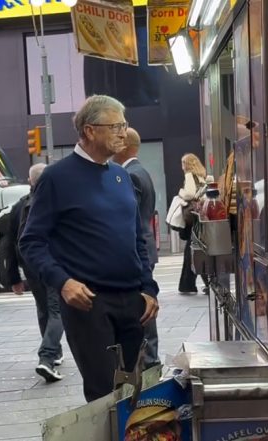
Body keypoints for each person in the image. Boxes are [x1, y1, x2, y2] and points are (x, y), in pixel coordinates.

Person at [20, 95, 160, 402]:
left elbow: (137, 237)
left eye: (124, 125)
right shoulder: (56, 178)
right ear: (89, 130)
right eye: (115, 125)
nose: (123, 132)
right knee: (103, 395)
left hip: (133, 301)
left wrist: (149, 288)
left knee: (136, 389)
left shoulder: (122, 176)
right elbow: (31, 242)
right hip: (88, 303)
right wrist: (63, 283)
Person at [7, 163, 65, 382]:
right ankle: (48, 356)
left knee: (43, 309)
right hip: (52, 263)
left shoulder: (19, 206)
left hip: (30, 266)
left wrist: (13, 276)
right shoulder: (56, 202)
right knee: (56, 310)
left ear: (31, 181)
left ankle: (54, 352)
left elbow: (10, 243)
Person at [112, 128, 161, 369]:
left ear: (124, 145)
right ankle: (149, 360)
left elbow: (129, 219)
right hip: (144, 246)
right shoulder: (141, 171)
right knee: (145, 306)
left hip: (137, 250)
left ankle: (150, 361)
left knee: (143, 308)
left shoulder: (130, 175)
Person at [176, 153, 207, 295]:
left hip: (191, 217)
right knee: (196, 248)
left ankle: (188, 284)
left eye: (183, 163)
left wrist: (180, 192)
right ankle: (194, 283)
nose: (181, 167)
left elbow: (188, 194)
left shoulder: (189, 176)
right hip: (200, 216)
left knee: (191, 250)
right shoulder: (202, 177)